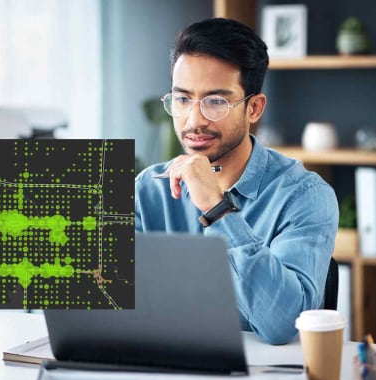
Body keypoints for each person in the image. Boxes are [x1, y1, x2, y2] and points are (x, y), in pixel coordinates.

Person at [135, 18, 339, 345]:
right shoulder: (149, 188)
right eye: (183, 99)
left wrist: (218, 209)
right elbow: (105, 308)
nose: (194, 119)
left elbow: (283, 325)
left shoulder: (305, 196)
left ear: (254, 108)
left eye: (215, 101)